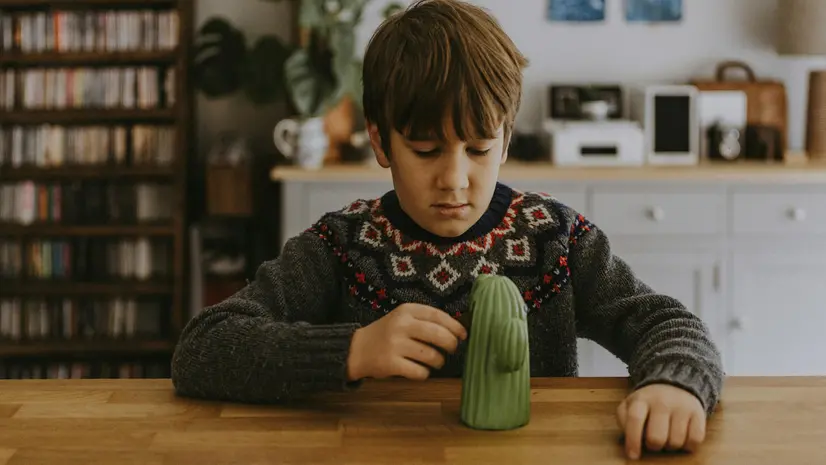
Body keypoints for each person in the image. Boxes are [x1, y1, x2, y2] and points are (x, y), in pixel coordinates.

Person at [171, 0, 724, 460]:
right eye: (426, 149)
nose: (455, 178)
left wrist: (673, 382)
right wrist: (352, 350)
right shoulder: (342, 246)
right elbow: (203, 348)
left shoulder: (555, 238)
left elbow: (666, 322)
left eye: (480, 149)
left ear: (506, 140)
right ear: (382, 142)